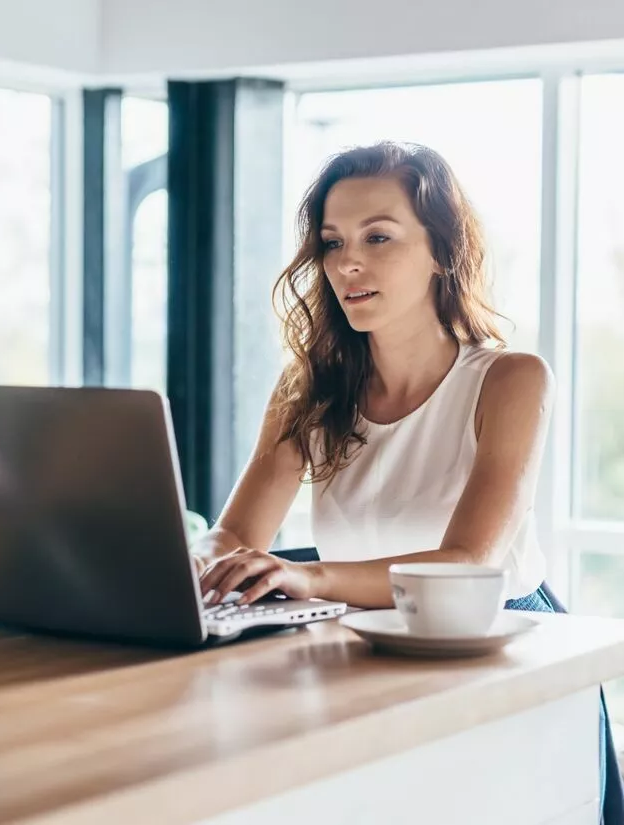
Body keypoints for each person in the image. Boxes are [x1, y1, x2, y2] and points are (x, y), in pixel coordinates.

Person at [190, 142, 623, 822]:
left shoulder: (510, 379)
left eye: (378, 237)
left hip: (503, 652)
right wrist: (184, 560)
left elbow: (467, 563)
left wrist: (312, 577)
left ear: (440, 251)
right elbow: (236, 533)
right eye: (331, 242)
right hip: (367, 653)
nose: (347, 263)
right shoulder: (307, 388)